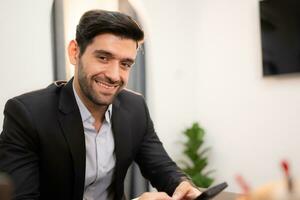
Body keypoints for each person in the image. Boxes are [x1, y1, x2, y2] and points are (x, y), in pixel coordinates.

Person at [0, 10, 200, 200]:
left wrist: (181, 184)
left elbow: (161, 166)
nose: (114, 75)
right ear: (74, 52)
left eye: (125, 64)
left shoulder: (135, 107)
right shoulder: (27, 114)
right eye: (103, 57)